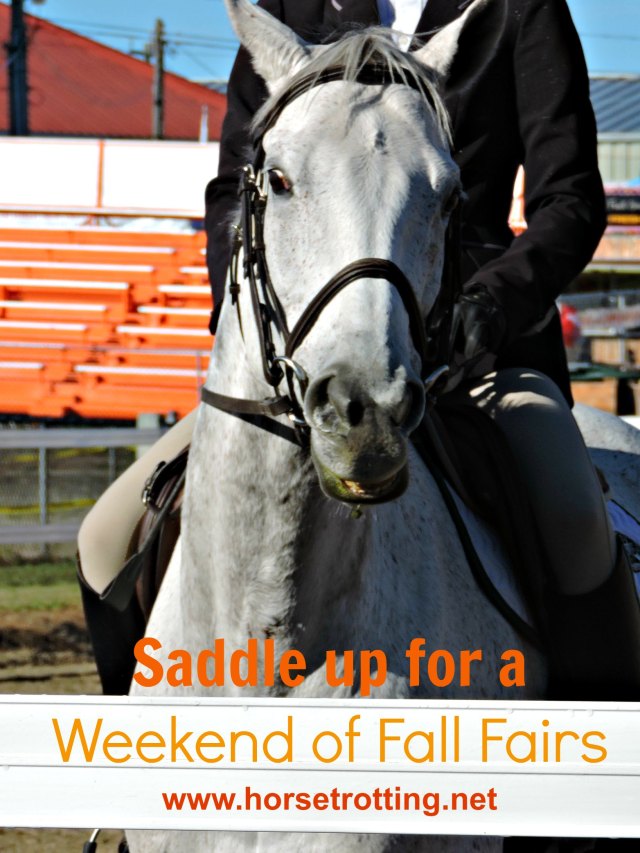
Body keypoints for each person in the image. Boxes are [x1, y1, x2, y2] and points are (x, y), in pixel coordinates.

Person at [79, 0, 640, 699]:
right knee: (104, 541)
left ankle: (600, 769)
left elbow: (572, 202)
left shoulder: (519, 11)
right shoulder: (291, 8)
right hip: (300, 359)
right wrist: (256, 332)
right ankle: (126, 768)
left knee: (576, 521)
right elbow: (235, 185)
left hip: (476, 358)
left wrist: (488, 307)